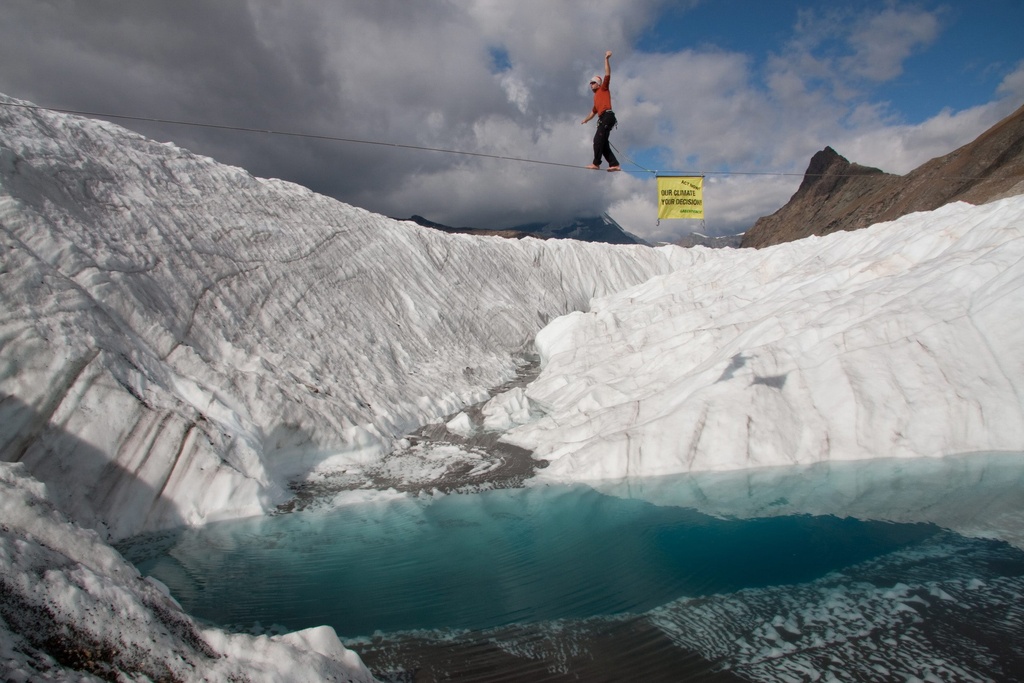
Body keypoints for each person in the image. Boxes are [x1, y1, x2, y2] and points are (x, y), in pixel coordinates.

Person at [582, 50, 621, 171]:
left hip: (607, 116)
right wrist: (586, 120)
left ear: (598, 84)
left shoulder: (603, 89)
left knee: (597, 140)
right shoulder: (596, 98)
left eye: (593, 83)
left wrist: (606, 59)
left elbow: (607, 74)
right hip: (603, 118)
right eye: (590, 83)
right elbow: (593, 112)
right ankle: (614, 164)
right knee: (603, 143)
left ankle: (596, 163)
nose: (591, 85)